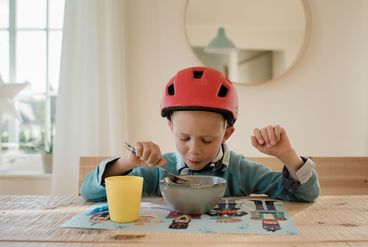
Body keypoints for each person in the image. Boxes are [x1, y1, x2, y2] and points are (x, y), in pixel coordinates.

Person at [80, 66, 320, 202]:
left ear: (226, 134)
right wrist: (127, 162)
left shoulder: (241, 171)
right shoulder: (160, 169)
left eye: (207, 140)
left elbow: (308, 195)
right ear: (171, 129)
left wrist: (287, 155)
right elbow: (88, 192)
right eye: (184, 138)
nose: (194, 151)